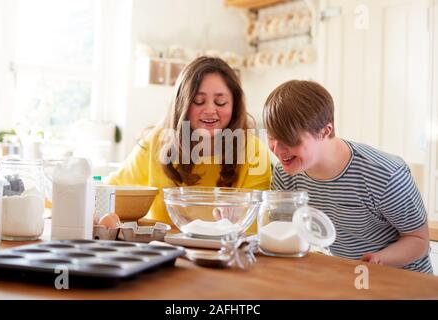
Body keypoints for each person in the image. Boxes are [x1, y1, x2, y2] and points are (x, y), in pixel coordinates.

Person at [264, 80, 433, 273]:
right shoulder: (285, 174)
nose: (277, 150)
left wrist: (379, 260)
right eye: (271, 136)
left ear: (324, 131)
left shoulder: (385, 174)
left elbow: (419, 240)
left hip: (404, 283)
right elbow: (283, 231)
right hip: (347, 279)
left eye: (289, 139)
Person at [107, 56, 271, 231]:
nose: (209, 110)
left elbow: (256, 224)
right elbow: (110, 191)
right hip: (164, 251)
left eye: (220, 102)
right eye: (198, 101)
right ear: (182, 103)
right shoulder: (157, 141)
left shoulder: (253, 151)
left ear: (234, 105)